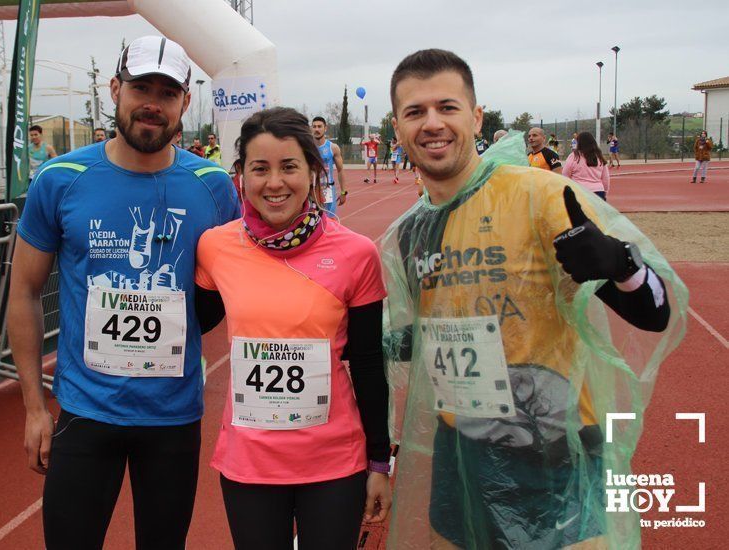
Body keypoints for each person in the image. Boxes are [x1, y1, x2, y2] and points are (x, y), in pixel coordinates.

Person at [381, 48, 686, 550]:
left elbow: (656, 313)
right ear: (398, 127)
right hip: (460, 447)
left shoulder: (540, 194)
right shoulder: (413, 230)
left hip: (551, 447)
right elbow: (450, 324)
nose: (432, 123)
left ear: (476, 117)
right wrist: (385, 342)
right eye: (415, 112)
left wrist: (619, 264)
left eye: (447, 107)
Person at [7, 35, 240, 550]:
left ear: (184, 102)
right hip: (85, 413)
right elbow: (23, 290)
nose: (153, 103)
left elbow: (245, 285)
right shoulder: (60, 178)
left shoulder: (213, 186)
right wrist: (32, 407)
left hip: (173, 416)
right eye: (141, 87)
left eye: (169, 92)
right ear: (116, 89)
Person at [196, 106, 392, 550]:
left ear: (312, 170)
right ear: (241, 174)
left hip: (334, 461)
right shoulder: (215, 246)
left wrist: (379, 461)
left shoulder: (356, 253)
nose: (275, 182)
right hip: (249, 461)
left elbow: (366, 363)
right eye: (259, 169)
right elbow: (194, 323)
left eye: (289, 167)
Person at [311, 116, 347, 213]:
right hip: (311, 190)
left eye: (319, 126)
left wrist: (344, 192)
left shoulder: (333, 148)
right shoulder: (307, 148)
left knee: (329, 221)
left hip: (327, 189)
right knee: (311, 222)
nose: (316, 129)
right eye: (314, 127)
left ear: (325, 128)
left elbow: (340, 170)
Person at [562, 131, 610, 200]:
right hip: (598, 191)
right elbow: (605, 178)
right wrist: (605, 192)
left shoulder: (574, 156)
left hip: (578, 191)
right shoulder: (599, 157)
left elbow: (565, 175)